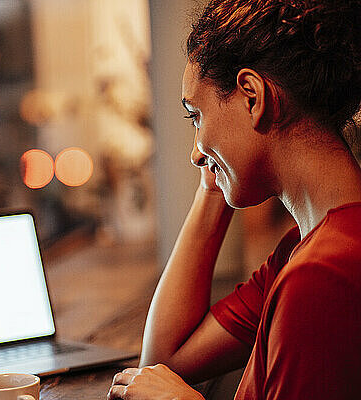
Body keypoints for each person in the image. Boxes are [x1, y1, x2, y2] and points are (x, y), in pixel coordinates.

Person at [107, 0, 361, 399]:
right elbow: (164, 361)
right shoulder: (301, 248)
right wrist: (214, 184)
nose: (195, 152)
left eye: (196, 116)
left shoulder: (322, 273)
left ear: (252, 97)